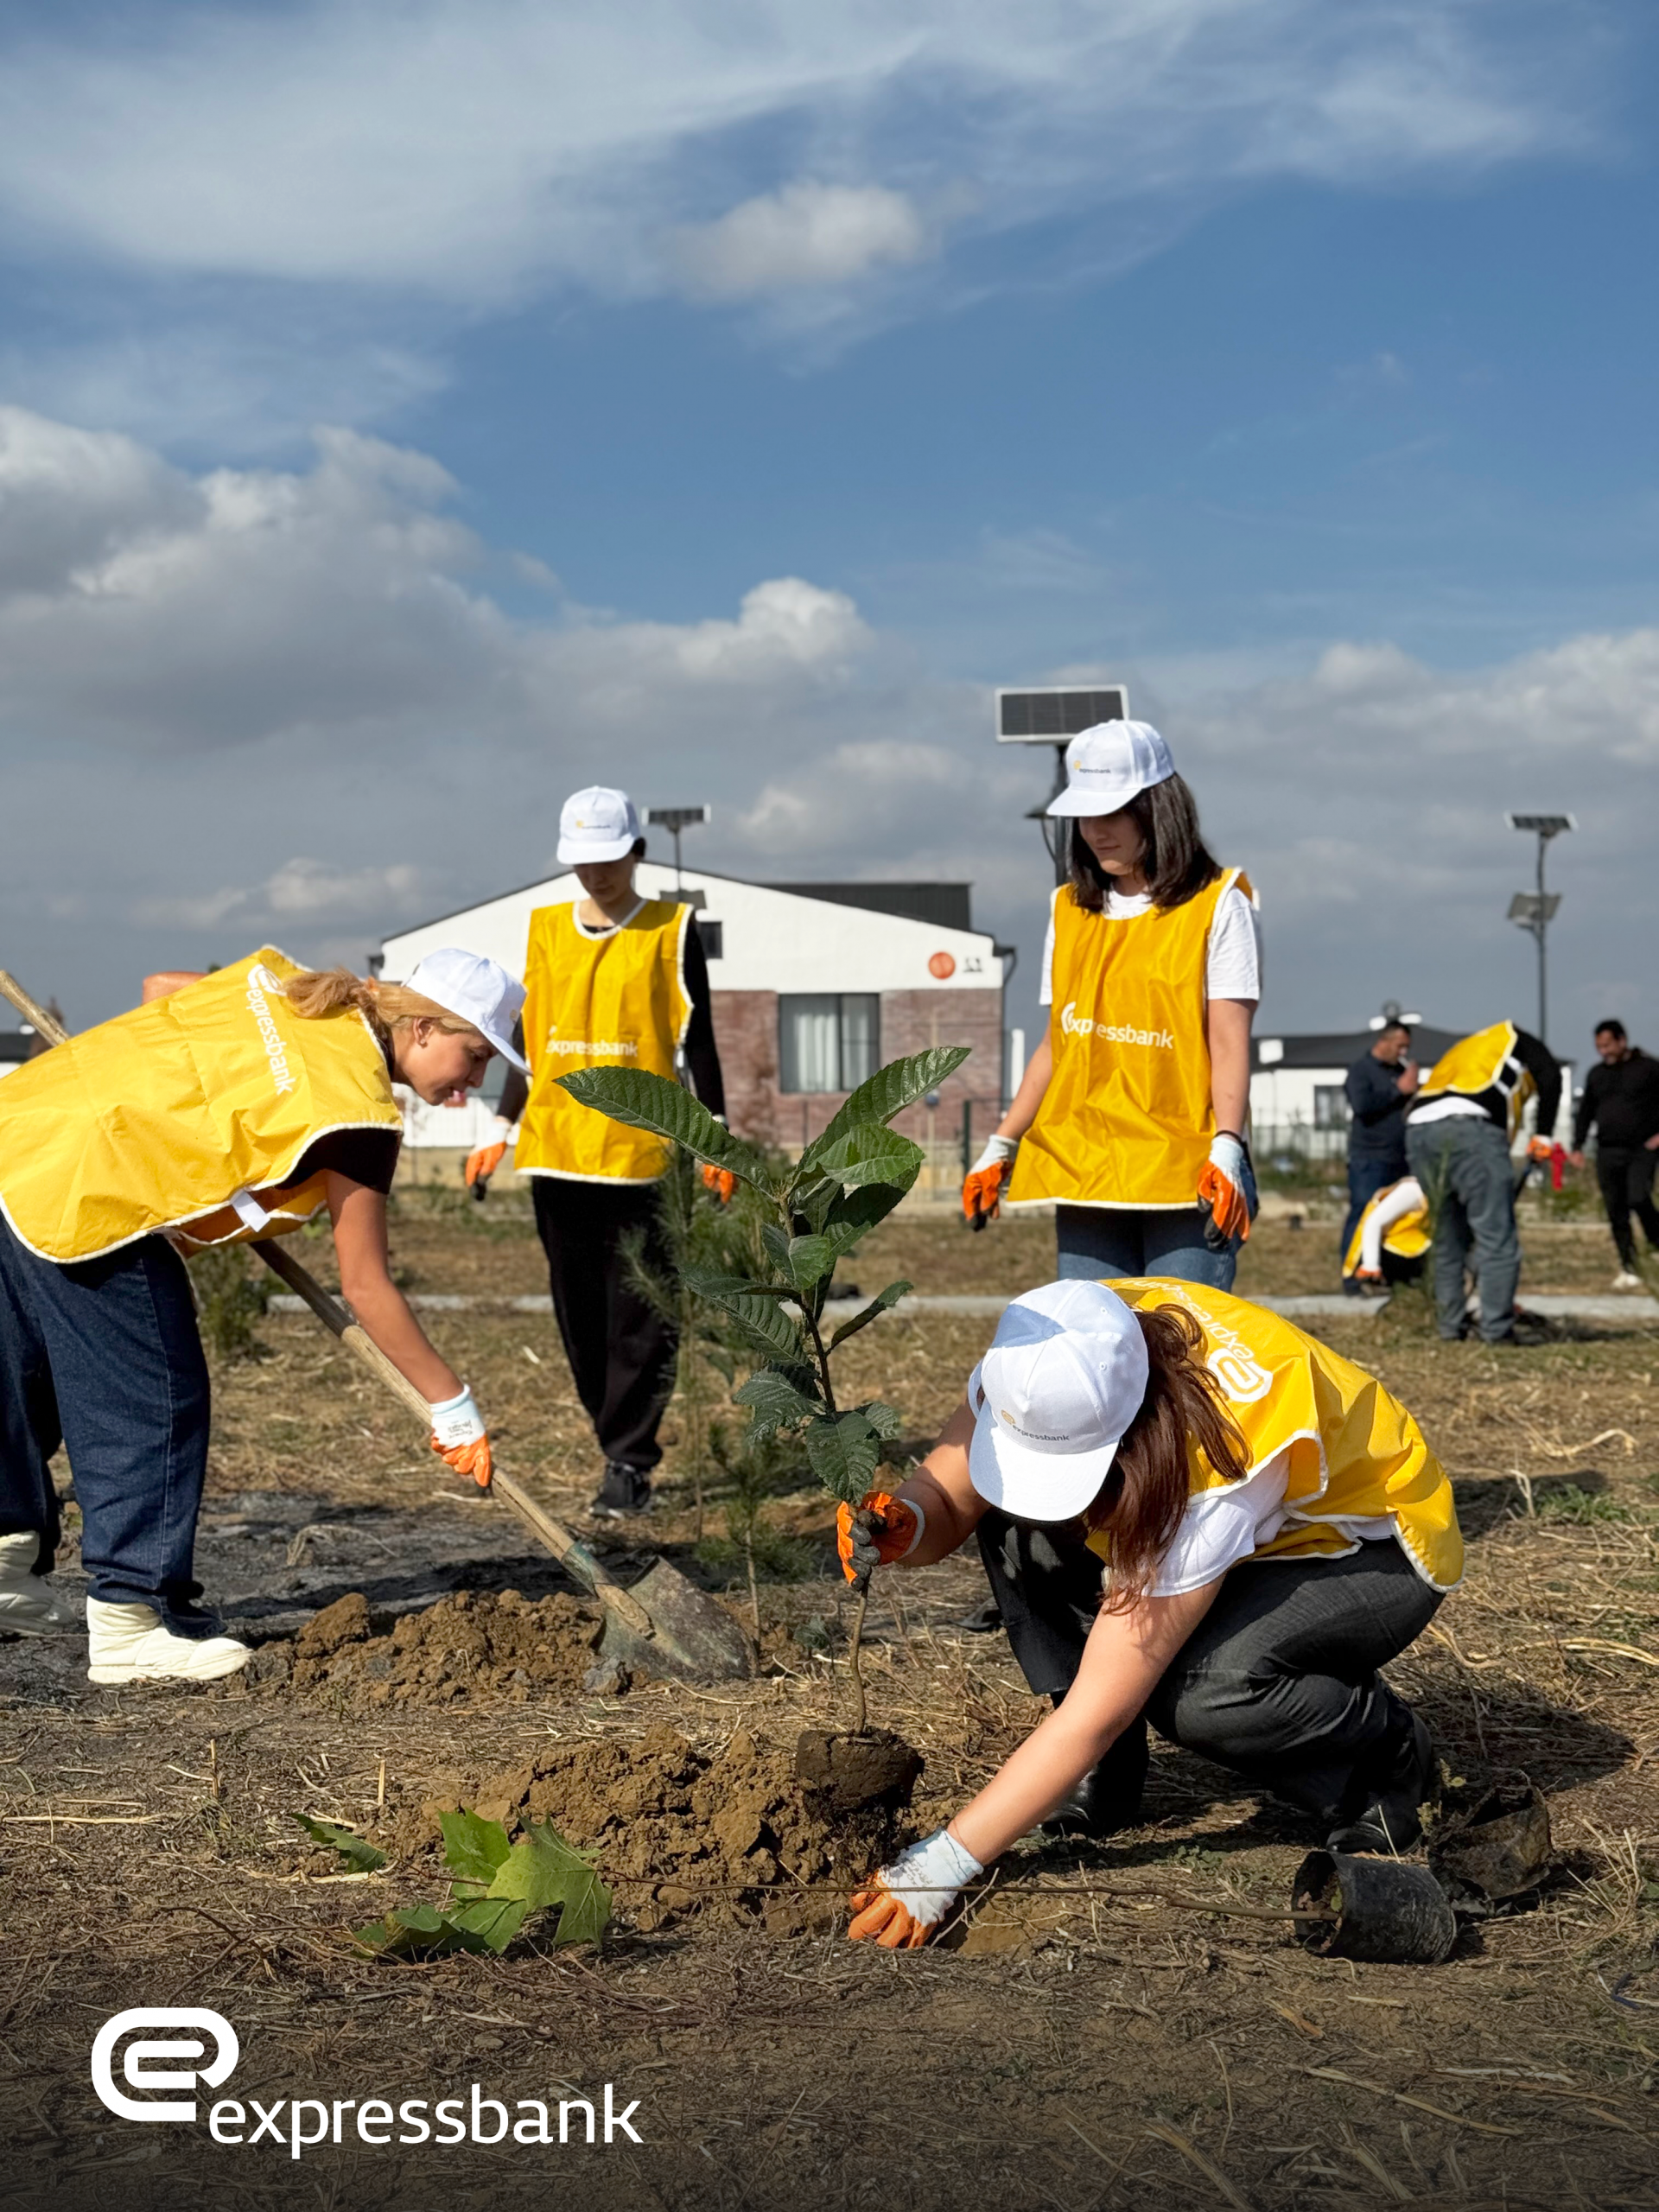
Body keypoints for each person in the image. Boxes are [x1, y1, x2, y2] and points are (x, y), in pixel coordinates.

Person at [835, 1276, 1459, 1947]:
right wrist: (912, 1518)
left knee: (1206, 1691)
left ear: (1129, 1440)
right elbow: (950, 1499)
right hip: (1258, 1526)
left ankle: (1384, 1763)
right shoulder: (1042, 1356)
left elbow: (1098, 1712)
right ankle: (1109, 1778)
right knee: (1018, 1519)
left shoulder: (1212, 1463)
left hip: (1368, 1543)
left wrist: (945, 1862)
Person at [0, 947, 526, 1681]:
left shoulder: (295, 988)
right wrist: (453, 1404)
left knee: (24, 1368)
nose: (474, 1081)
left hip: (25, 1132)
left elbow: (162, 986)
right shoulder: (356, 1110)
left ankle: (4, 1564)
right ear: (426, 1027)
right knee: (154, 1396)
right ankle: (132, 1620)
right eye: (474, 1056)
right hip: (95, 1188)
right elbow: (367, 1285)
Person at [466, 785, 728, 1519]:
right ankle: (612, 1435)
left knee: (643, 1313)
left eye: (609, 858)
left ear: (636, 851)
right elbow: (528, 1038)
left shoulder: (672, 929)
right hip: (557, 1152)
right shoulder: (545, 929)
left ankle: (629, 1460)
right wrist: (499, 1127)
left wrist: (715, 1138)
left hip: (643, 1156)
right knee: (580, 1318)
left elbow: (695, 1040)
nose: (596, 873)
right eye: (582, 860)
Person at [963, 720, 1262, 1287]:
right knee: (1097, 1351)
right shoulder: (1069, 910)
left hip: (1184, 1168)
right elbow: (1059, 1045)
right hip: (1087, 1164)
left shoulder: (1218, 904)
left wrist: (1227, 1145)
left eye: (1113, 812)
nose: (1095, 831)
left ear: (1158, 806)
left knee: (1182, 1347)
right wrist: (1001, 1143)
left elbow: (1227, 1040)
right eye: (1084, 814)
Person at [1404, 1020, 1560, 1344]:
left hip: (1418, 1128)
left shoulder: (1465, 1051)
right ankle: (1496, 1331)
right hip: (1470, 1127)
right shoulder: (1518, 1038)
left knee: (1447, 1239)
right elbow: (1551, 1075)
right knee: (1496, 1239)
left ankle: (1450, 1327)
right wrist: (1543, 1134)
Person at [1568, 1020, 1659, 1288]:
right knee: (1615, 1208)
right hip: (1607, 1150)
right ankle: (1629, 1267)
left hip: (1643, 1148)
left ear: (1622, 1041)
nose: (1603, 1051)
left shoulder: (1649, 1069)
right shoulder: (1597, 1074)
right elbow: (1585, 1112)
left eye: (1607, 1045)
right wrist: (1577, 1145)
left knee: (1639, 1196)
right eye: (1599, 1046)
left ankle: (1657, 1240)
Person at [1341, 1020, 1419, 1289]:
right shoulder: (1361, 1071)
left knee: (1395, 1217)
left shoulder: (1400, 1071)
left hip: (1400, 1157)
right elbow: (1362, 1106)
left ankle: (1388, 1275)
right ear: (1384, 1042)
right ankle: (1352, 1279)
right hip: (1370, 1159)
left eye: (1406, 1047)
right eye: (1399, 1046)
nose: (1403, 1052)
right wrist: (1399, 1089)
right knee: (1364, 1214)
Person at [1340, 1175, 1428, 1292]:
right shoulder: (1412, 1190)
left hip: (1412, 1248)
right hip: (1395, 1254)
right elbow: (1373, 1223)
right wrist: (1370, 1266)